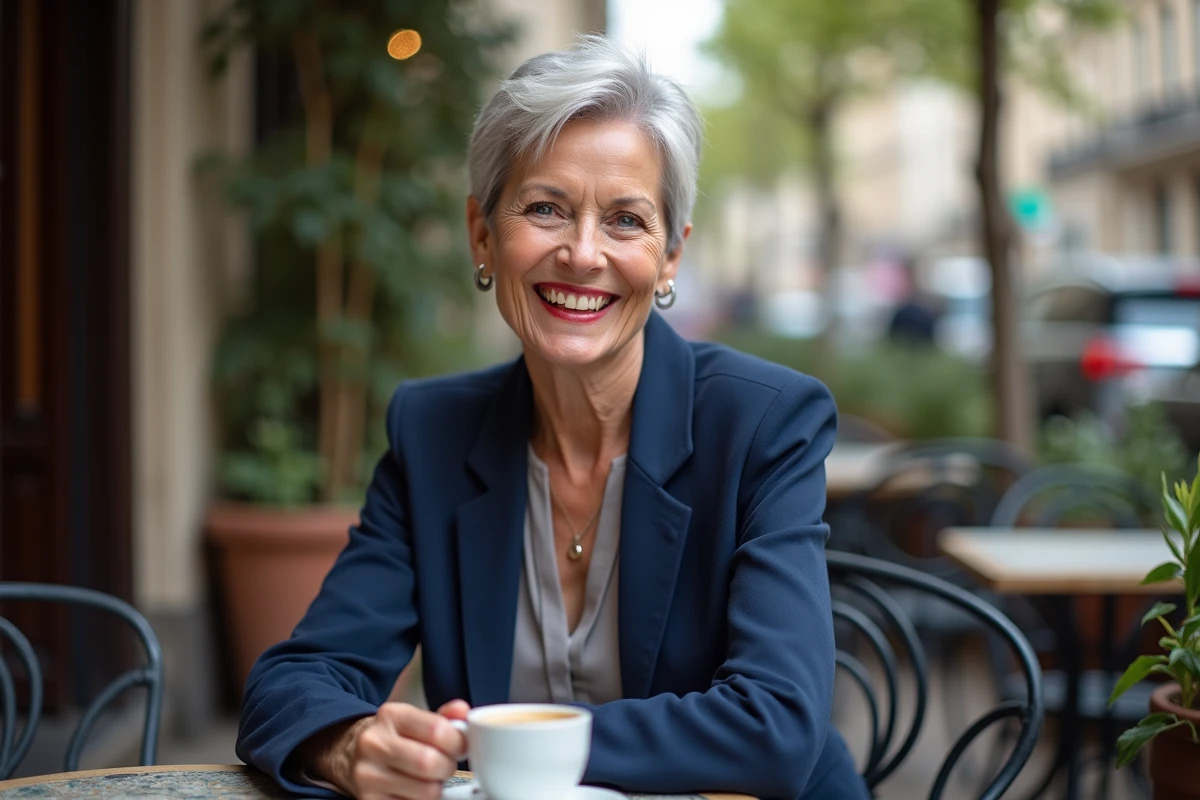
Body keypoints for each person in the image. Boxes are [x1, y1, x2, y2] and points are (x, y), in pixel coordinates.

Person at [236, 36, 868, 800]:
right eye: (545, 209)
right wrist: (348, 743)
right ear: (482, 235)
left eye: (626, 221)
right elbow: (295, 680)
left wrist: (500, 746)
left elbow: (777, 725)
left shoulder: (763, 425)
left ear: (670, 257)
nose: (582, 253)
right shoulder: (433, 434)